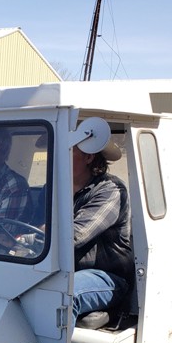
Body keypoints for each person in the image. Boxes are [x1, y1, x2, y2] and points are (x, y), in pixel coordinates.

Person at [71, 135, 135, 324]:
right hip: (61, 270)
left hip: (107, 276)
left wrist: (31, 237)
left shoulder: (111, 190)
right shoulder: (53, 188)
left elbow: (75, 235)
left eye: (65, 151)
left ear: (88, 157)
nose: (56, 158)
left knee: (64, 294)